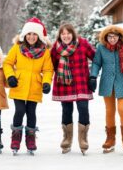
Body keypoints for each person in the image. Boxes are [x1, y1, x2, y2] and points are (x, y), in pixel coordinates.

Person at [3, 17, 54, 154]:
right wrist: (10, 76)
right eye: (29, 34)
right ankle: (16, 137)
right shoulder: (17, 48)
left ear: (39, 36)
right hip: (18, 84)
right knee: (19, 110)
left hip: (35, 86)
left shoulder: (45, 52)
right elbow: (7, 63)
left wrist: (47, 82)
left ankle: (30, 138)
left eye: (34, 34)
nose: (31, 37)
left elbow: (48, 70)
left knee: (31, 112)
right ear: (24, 35)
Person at [90, 25, 123, 155]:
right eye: (110, 37)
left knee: (122, 109)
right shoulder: (101, 47)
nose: (112, 39)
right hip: (107, 82)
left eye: (115, 36)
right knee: (109, 111)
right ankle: (110, 139)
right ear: (105, 37)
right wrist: (93, 76)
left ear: (119, 37)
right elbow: (96, 63)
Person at [51, 23, 95, 155]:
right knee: (66, 110)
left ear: (73, 34)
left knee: (83, 108)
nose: (66, 36)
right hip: (64, 84)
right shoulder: (55, 48)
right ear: (60, 35)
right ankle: (67, 139)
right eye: (63, 34)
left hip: (82, 82)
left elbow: (96, 58)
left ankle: (83, 139)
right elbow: (52, 65)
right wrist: (62, 75)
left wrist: (93, 76)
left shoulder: (83, 43)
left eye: (68, 33)